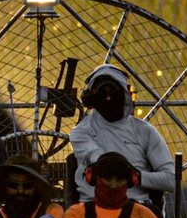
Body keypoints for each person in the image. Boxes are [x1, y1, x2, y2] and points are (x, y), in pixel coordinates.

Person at [68, 64, 175, 209]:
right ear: (90, 98)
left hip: (136, 210)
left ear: (126, 95)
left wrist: (138, 177)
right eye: (102, 92)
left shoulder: (146, 132)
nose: (108, 97)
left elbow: (172, 180)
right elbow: (100, 159)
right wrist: (124, 172)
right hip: (91, 210)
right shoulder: (80, 132)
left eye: (113, 91)